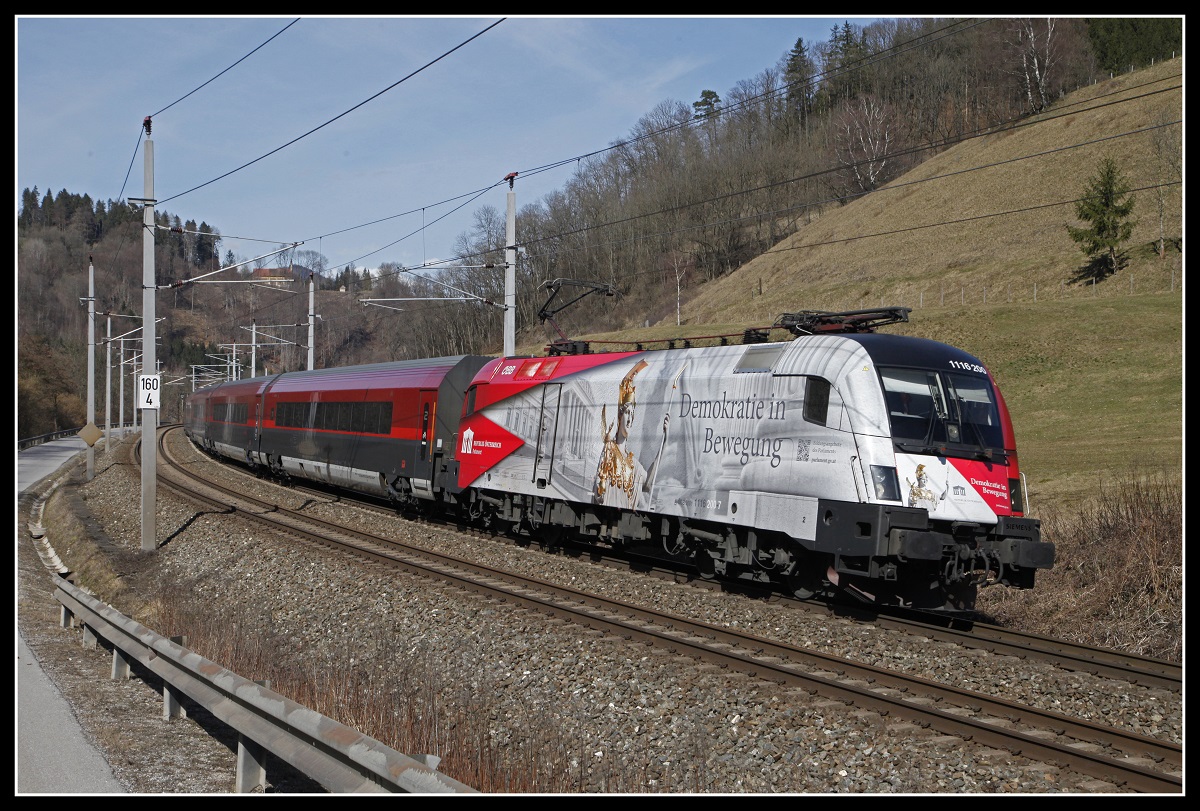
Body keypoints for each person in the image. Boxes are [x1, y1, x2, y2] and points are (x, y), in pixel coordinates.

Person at [594, 359, 668, 509]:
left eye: (632, 415)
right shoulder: (609, 449)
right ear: (621, 416)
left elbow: (647, 483)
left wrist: (664, 441)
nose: (629, 420)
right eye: (627, 413)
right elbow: (598, 489)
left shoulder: (632, 463)